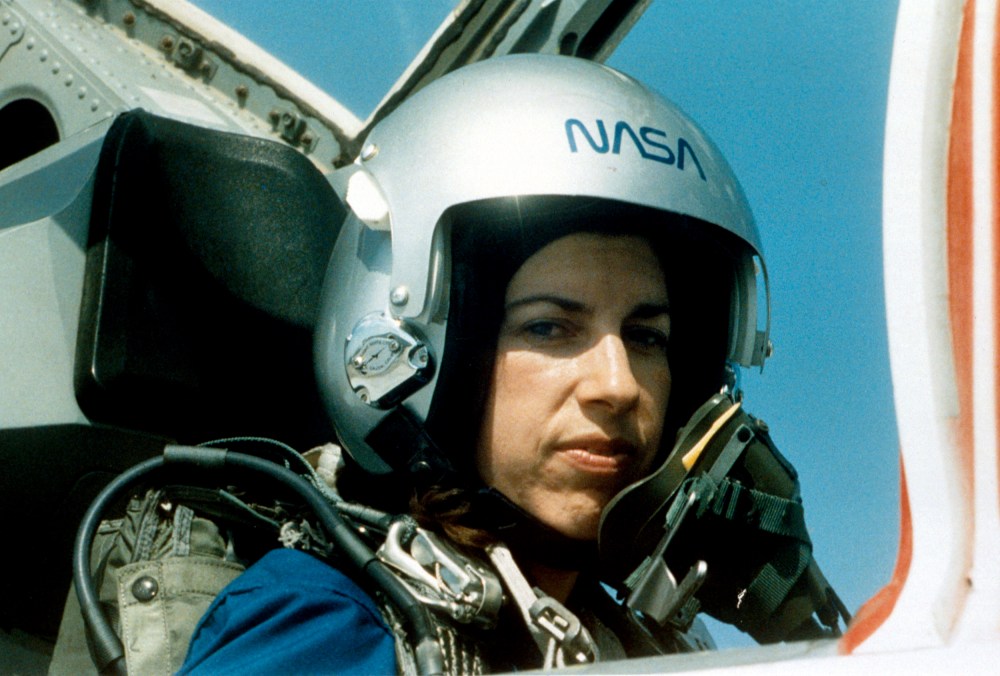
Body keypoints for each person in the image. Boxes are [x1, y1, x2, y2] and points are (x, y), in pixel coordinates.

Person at [177, 53, 827, 675]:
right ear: (423, 354)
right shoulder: (325, 629)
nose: (618, 385)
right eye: (549, 327)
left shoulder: (651, 644)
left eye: (648, 338)